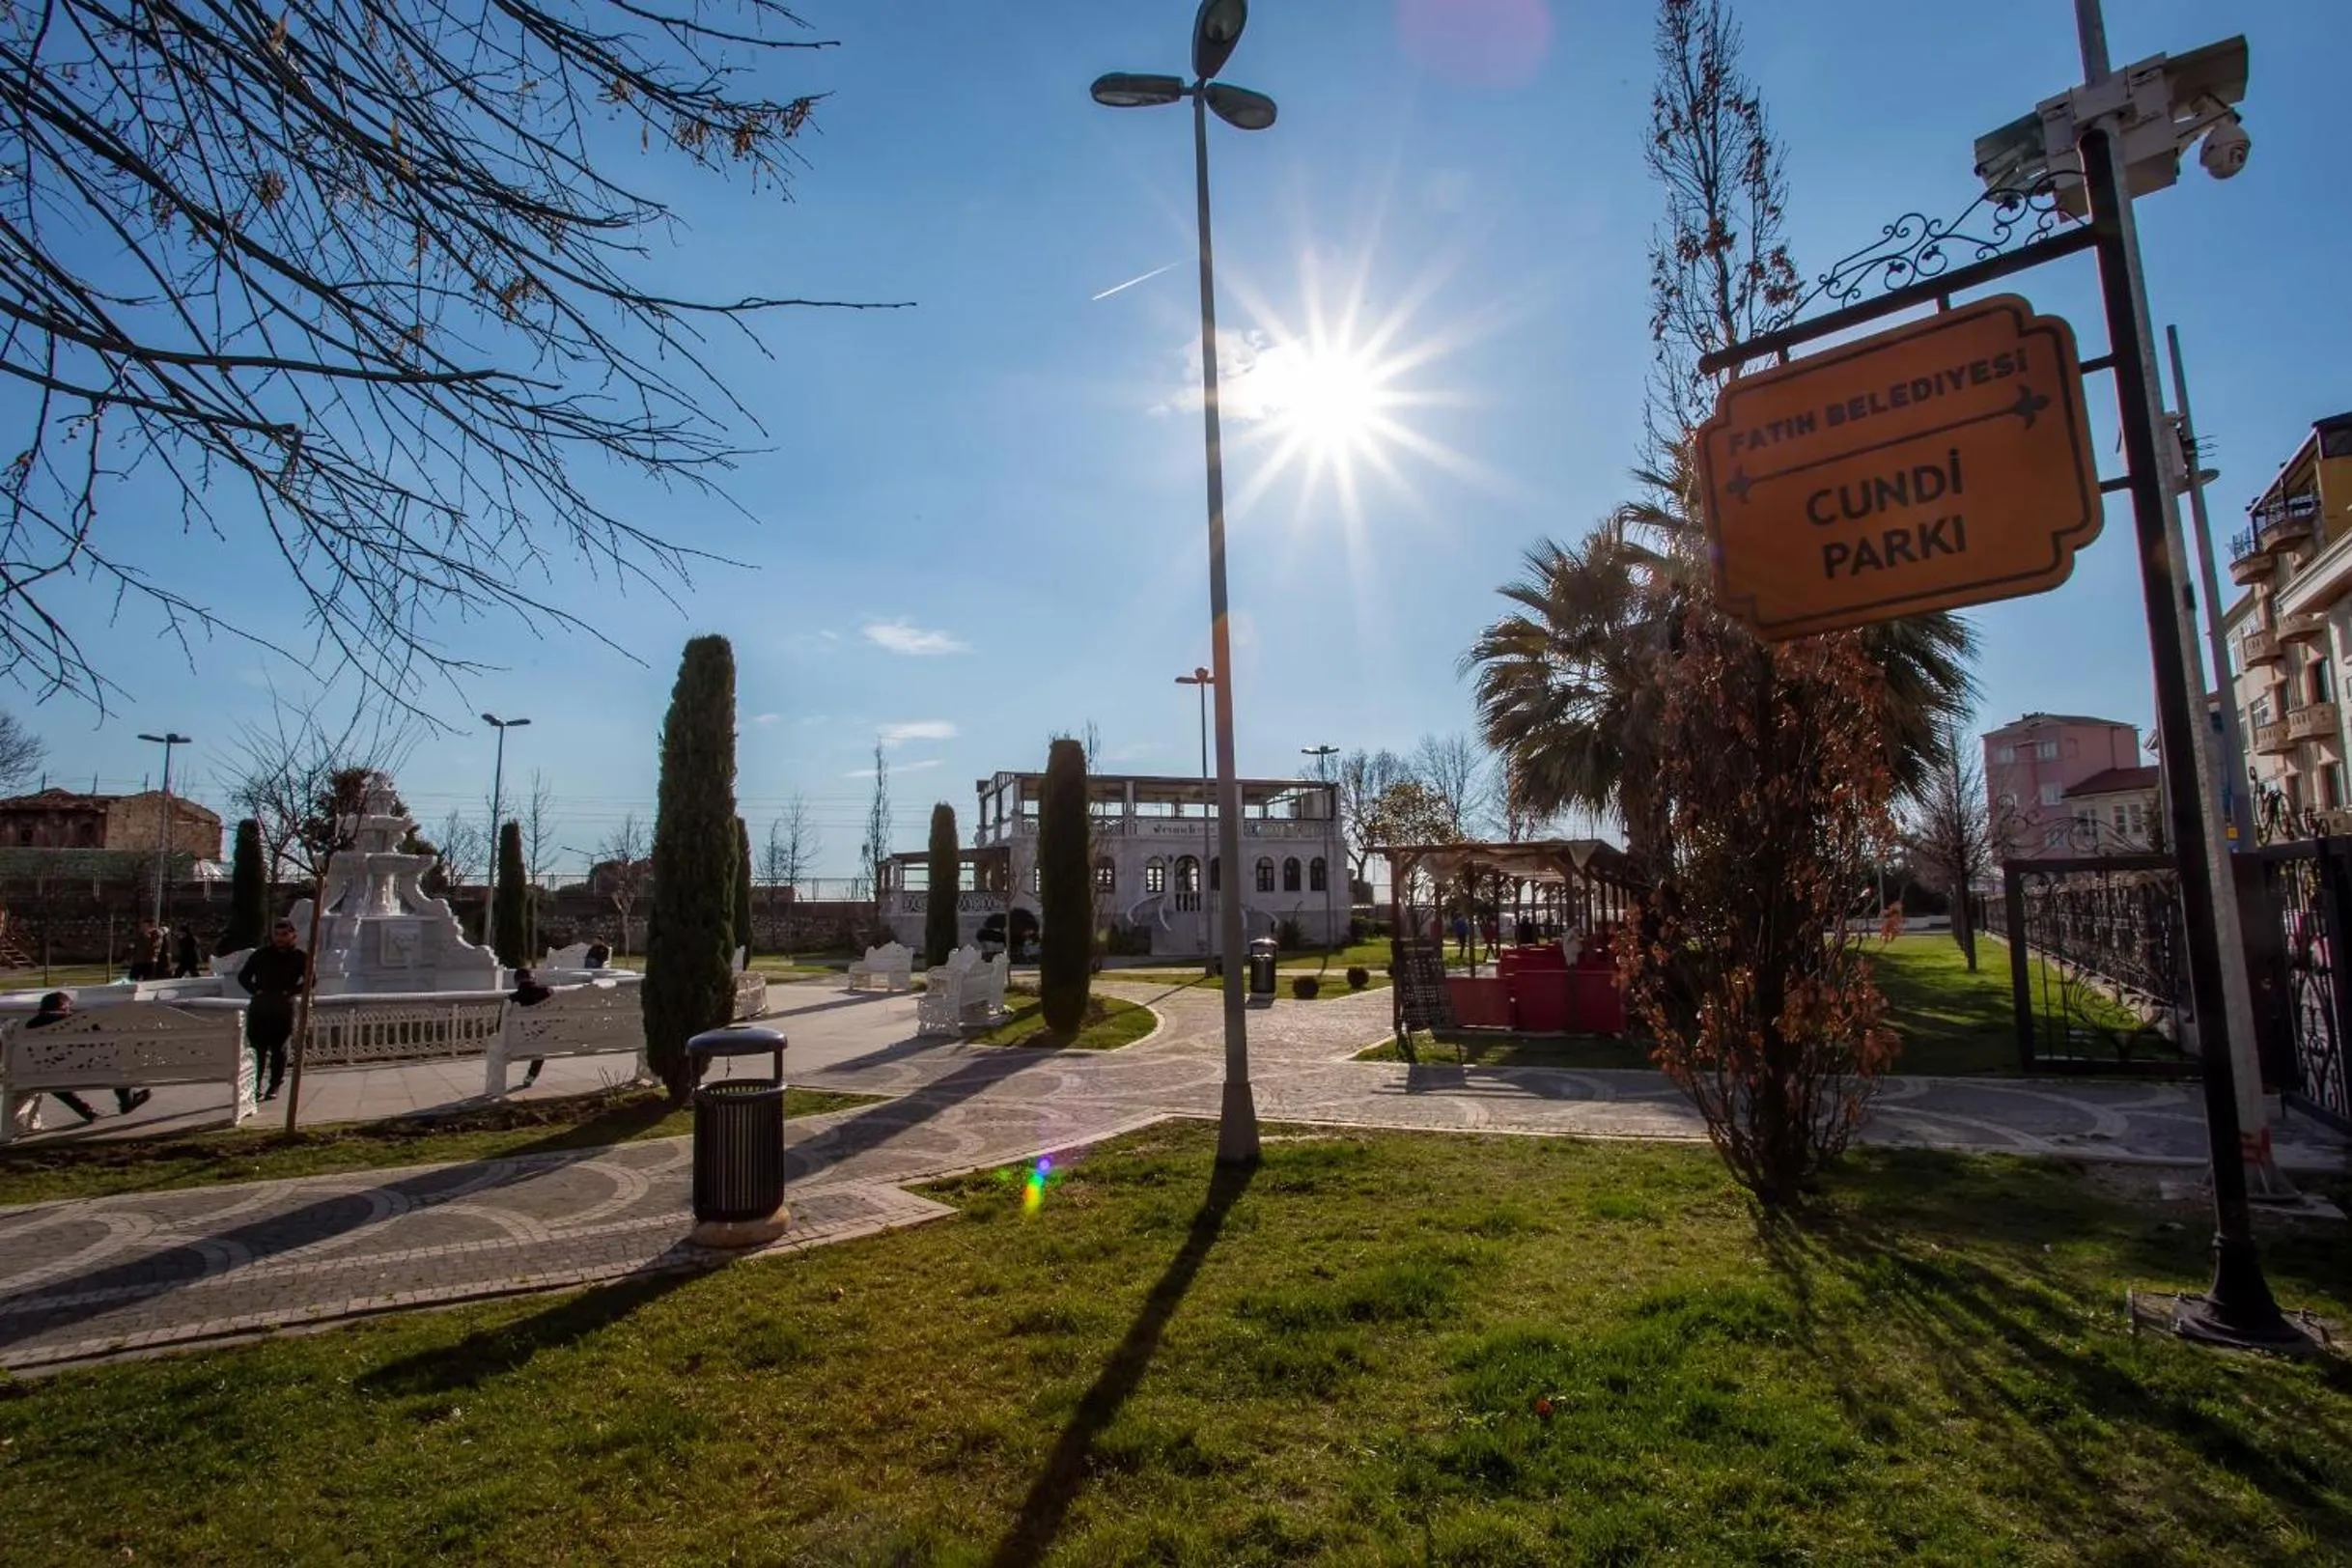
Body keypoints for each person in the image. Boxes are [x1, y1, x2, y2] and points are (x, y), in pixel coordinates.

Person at [22, 993, 149, 1125]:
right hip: (92, 1071)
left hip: (50, 1075)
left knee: (49, 1075)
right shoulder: (80, 1021)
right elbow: (105, 1041)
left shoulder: (29, 1026)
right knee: (120, 1060)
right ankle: (127, 1101)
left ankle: (85, 1110)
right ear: (63, 1007)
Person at [237, 919, 308, 1102]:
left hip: (283, 1009)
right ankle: (255, 1085)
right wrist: (256, 991)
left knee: (279, 1049)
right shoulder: (261, 955)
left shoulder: (300, 957)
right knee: (257, 1049)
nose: (280, 939)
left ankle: (274, 1085)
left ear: (293, 935)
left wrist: (290, 992)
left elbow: (310, 981)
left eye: (284, 935)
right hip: (261, 1008)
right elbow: (243, 976)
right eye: (277, 935)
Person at [509, 967, 554, 1087]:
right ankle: (531, 1075)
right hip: (547, 1039)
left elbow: (500, 1025)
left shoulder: (511, 999)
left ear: (517, 982)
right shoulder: (548, 992)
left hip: (518, 1042)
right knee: (541, 1041)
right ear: (533, 979)